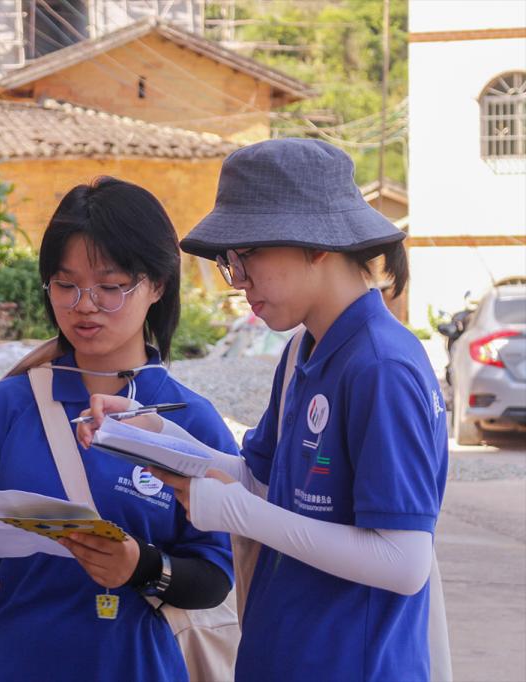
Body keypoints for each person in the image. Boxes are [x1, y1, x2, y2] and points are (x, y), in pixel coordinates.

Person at [78, 139, 448, 681]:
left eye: (246, 256)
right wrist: (152, 432)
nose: (239, 280)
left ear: (316, 244)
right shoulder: (303, 349)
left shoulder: (380, 366)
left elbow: (403, 562)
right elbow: (262, 482)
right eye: (229, 263)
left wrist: (236, 513)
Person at [0, 177, 236, 681]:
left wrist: (141, 566)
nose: (84, 305)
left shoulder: (189, 422)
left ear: (157, 285)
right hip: (0, 665)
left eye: (110, 287)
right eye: (65, 285)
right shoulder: (2, 409)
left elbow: (214, 575)